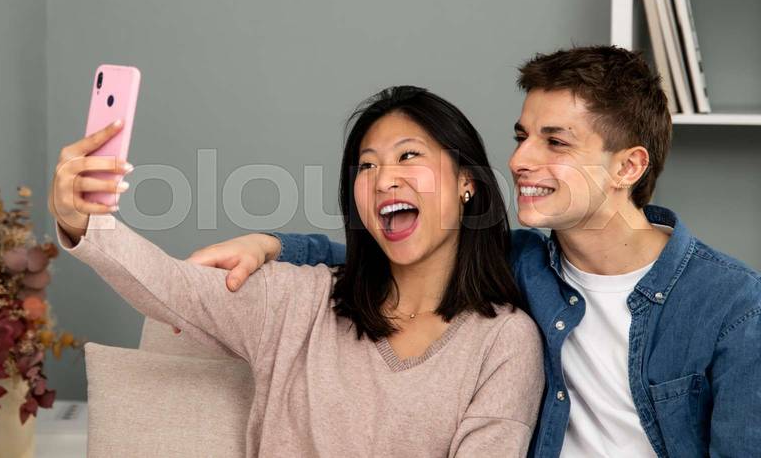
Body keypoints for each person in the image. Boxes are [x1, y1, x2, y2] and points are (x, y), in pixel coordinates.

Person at [188, 46, 761, 457]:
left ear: (628, 167)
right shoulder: (519, 264)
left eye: (554, 141)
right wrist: (272, 244)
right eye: (521, 136)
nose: (519, 161)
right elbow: (382, 252)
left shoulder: (733, 307)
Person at [49, 86, 545, 457]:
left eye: (408, 156)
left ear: (466, 183)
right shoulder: (299, 302)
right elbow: (172, 287)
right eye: (365, 166)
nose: (383, 178)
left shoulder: (505, 342)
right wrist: (84, 220)